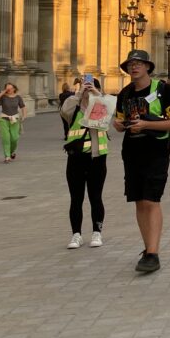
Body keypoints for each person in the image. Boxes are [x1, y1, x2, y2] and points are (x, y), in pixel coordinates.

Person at [111, 50, 170, 273]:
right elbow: (120, 120)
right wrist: (118, 125)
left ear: (148, 67)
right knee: (139, 201)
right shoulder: (124, 94)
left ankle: (153, 252)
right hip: (132, 151)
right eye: (130, 64)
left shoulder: (163, 91)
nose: (134, 67)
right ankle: (147, 248)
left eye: (138, 64)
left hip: (156, 151)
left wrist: (146, 125)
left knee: (152, 200)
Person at [60, 77, 109, 249]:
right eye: (86, 86)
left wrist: (97, 95)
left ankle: (97, 232)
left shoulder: (100, 105)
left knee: (95, 197)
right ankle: (76, 234)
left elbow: (105, 119)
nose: (88, 89)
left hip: (97, 158)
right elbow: (64, 111)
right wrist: (79, 94)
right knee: (76, 198)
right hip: (75, 158)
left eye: (91, 86)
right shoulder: (74, 106)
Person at [0, 83, 26, 162]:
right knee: (6, 138)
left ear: (14, 89)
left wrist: (24, 115)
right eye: (7, 88)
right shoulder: (3, 97)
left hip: (15, 119)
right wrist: (3, 91)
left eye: (11, 88)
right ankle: (7, 156)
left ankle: (12, 152)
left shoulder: (18, 97)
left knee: (14, 138)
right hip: (4, 119)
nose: (9, 90)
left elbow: (23, 107)